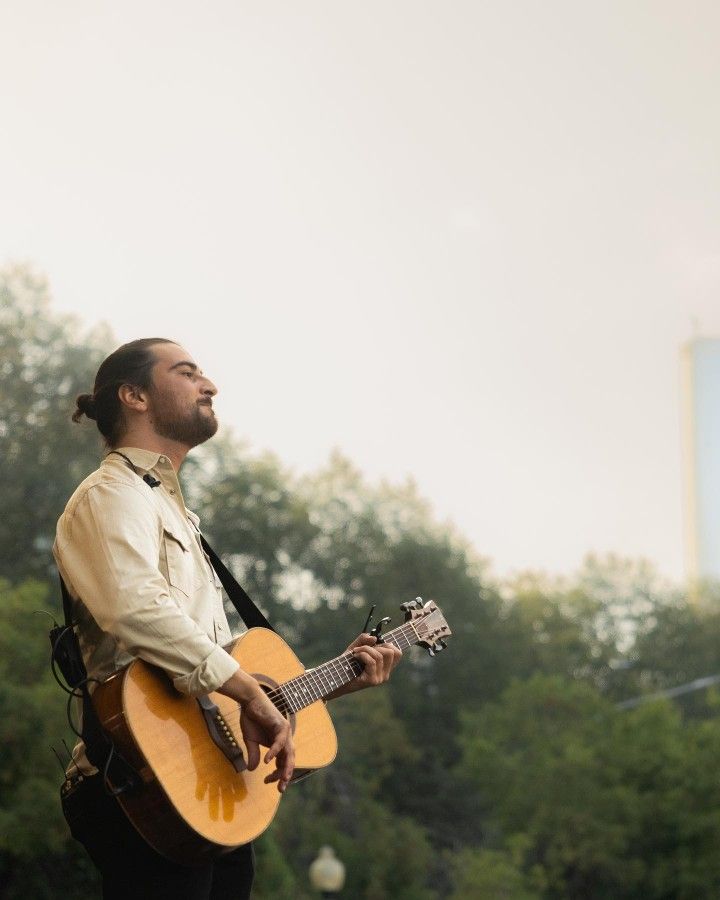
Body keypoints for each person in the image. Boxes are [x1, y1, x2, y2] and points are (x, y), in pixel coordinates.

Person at [54, 338, 402, 899]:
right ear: (134, 395)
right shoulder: (110, 495)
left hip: (209, 793)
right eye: (188, 372)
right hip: (138, 778)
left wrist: (334, 680)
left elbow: (214, 691)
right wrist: (248, 691)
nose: (210, 385)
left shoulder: (179, 515)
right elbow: (136, 608)